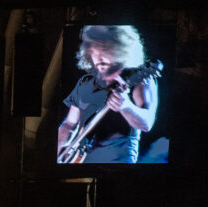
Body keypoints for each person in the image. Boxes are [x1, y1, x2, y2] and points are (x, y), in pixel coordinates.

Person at [57, 25, 158, 164]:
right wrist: (56, 156)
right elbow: (69, 124)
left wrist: (126, 106)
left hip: (120, 162)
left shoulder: (139, 78)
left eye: (104, 49)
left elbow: (147, 123)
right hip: (84, 160)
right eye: (93, 50)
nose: (98, 56)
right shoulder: (87, 83)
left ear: (119, 48)